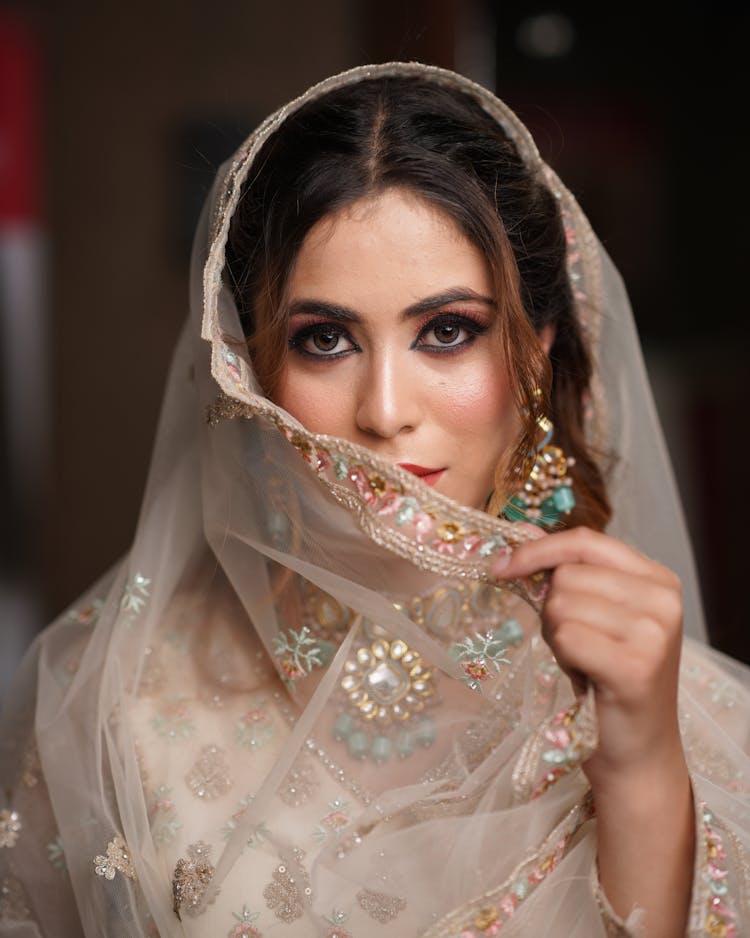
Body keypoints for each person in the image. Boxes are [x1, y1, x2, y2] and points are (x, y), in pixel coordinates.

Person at [0, 61, 748, 938]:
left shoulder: (672, 704)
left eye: (447, 332)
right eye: (325, 339)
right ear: (250, 373)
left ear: (537, 353)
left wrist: (645, 771)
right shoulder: (115, 705)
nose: (385, 412)